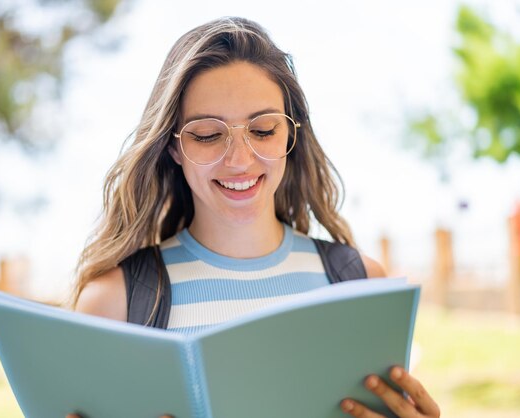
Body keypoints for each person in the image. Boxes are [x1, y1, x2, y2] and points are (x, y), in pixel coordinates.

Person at [66, 17, 440, 418]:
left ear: (290, 136)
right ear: (172, 147)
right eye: (207, 134)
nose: (240, 161)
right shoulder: (113, 303)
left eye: (263, 130)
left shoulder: (361, 283)